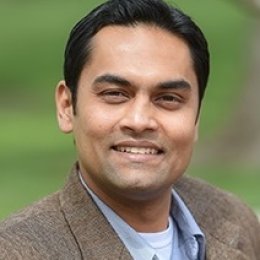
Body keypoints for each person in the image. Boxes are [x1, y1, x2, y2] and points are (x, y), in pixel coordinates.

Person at [0, 0, 259, 259]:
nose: (139, 120)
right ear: (67, 107)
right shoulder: (18, 251)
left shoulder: (234, 219)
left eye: (168, 98)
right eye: (115, 94)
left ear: (196, 117)